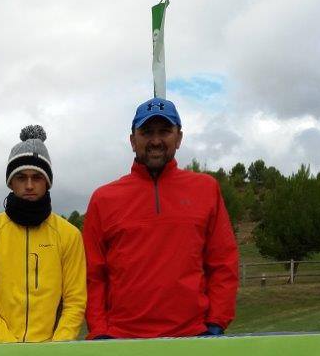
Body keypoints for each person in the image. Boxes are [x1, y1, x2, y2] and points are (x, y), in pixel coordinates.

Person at [83, 97, 239, 339]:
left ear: (179, 138)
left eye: (165, 131)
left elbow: (223, 262)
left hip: (192, 337)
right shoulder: (103, 198)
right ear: (133, 140)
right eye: (146, 132)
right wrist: (100, 331)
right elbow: (92, 275)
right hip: (122, 340)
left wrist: (216, 322)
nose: (155, 141)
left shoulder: (206, 189)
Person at [0, 126, 85, 343]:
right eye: (21, 177)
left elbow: (75, 300)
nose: (30, 185)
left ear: (48, 182)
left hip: (52, 355)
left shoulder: (69, 234)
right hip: (1, 353)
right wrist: (10, 346)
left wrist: (56, 348)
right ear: (11, 182)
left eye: (37, 177)